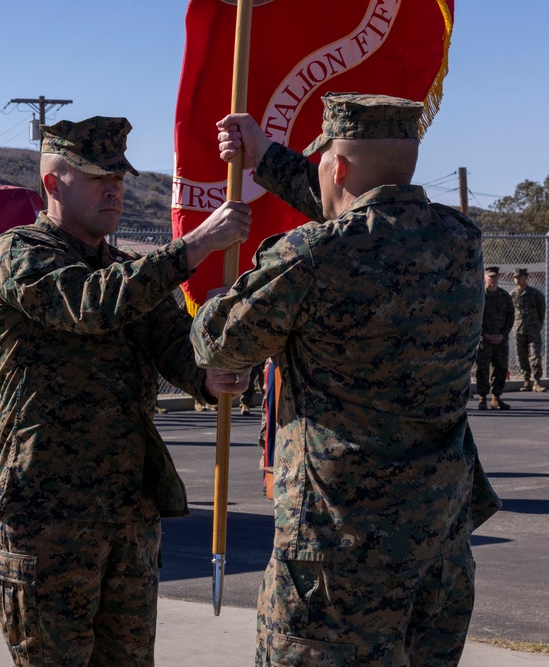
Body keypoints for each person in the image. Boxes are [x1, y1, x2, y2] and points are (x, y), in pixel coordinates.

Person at [201, 94, 501, 666]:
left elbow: (219, 341)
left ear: (335, 165)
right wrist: (265, 156)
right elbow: (365, 218)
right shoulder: (460, 241)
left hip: (336, 554)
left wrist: (222, 299)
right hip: (437, 543)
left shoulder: (313, 255)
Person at [0, 115, 251, 665]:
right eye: (98, 177)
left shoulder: (131, 271)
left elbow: (176, 345)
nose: (114, 189)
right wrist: (193, 246)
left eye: (120, 179)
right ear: (53, 184)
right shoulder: (19, 253)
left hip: (128, 511)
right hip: (49, 512)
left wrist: (212, 372)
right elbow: (92, 304)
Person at [476, 266, 515, 409]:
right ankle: (482, 398)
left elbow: (510, 317)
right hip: (484, 340)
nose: (493, 279)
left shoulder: (505, 296)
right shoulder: (479, 295)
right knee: (482, 368)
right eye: (490, 277)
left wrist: (503, 335)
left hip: (500, 340)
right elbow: (475, 318)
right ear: (484, 277)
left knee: (500, 368)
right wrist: (484, 334)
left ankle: (496, 398)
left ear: (499, 277)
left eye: (495, 277)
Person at [511, 267, 546, 392]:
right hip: (518, 330)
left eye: (519, 277)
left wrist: (537, 325)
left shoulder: (535, 294)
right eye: (515, 277)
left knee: (535, 355)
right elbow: (510, 313)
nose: (517, 279)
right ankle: (527, 380)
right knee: (521, 356)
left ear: (526, 277)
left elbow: (541, 310)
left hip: (533, 330)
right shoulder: (512, 295)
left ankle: (537, 381)